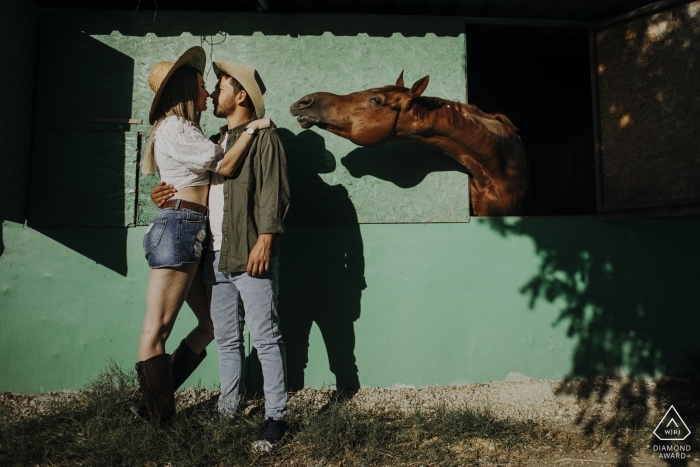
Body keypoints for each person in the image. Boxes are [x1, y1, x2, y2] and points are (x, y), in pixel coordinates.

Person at [151, 61, 290, 452]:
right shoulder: (214, 140)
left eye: (220, 86)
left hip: (249, 250)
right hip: (213, 252)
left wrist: (265, 239)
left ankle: (276, 416)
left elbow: (273, 191)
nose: (212, 92)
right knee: (227, 338)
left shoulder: (265, 138)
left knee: (266, 335)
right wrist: (161, 194)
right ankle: (229, 409)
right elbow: (188, 183)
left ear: (241, 95)